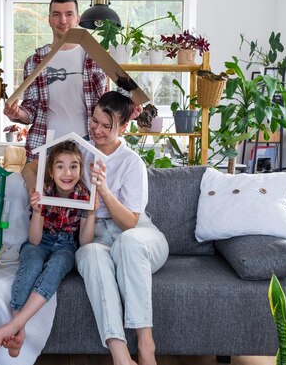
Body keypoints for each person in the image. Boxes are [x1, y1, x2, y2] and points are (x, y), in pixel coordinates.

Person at [76, 90, 169, 365]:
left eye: (107, 126)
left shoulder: (131, 162)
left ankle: (145, 345)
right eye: (94, 121)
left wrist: (103, 189)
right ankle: (120, 356)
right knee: (90, 254)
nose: (98, 131)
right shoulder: (80, 152)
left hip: (138, 234)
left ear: (124, 127)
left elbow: (130, 222)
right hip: (97, 234)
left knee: (128, 244)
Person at [0, 140, 97, 357]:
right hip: (41, 239)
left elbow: (84, 242)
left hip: (66, 244)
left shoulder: (84, 194)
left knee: (56, 267)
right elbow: (34, 241)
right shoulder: (43, 191)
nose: (67, 172)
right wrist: (37, 212)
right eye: (60, 166)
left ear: (80, 169)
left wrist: (91, 214)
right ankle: (18, 328)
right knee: (33, 262)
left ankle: (15, 325)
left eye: (74, 166)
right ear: (51, 171)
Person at [3, 0, 108, 192]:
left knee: (85, 205)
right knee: (41, 205)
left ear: (78, 19)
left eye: (69, 14)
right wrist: (18, 114)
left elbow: (105, 105)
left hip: (86, 144)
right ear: (49, 19)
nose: (63, 20)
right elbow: (30, 110)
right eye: (56, 14)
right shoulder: (35, 61)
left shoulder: (94, 57)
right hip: (46, 144)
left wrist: (129, 110)